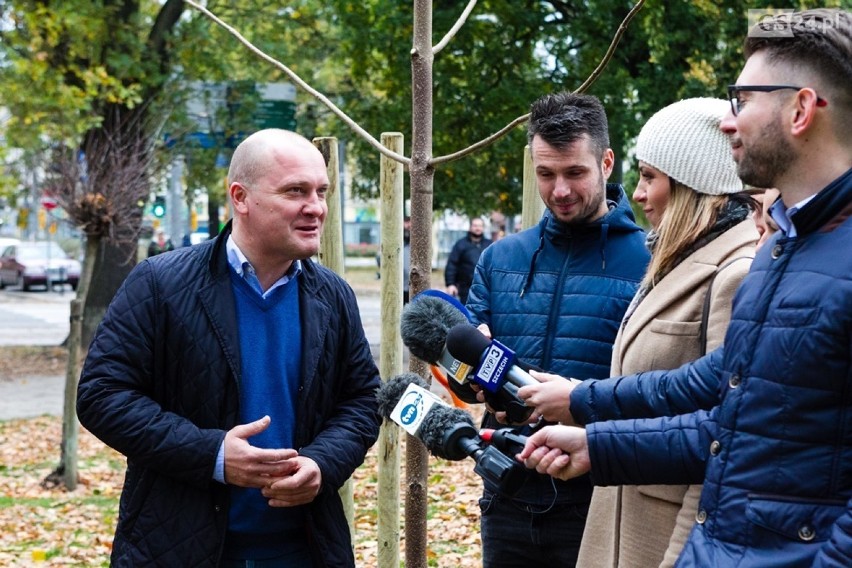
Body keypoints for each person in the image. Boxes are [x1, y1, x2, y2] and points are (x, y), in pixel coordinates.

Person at [518, 9, 852, 566]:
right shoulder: (781, 250)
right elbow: (729, 419)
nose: (727, 122)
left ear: (800, 109)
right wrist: (596, 439)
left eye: (742, 100)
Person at [77, 129, 382, 567]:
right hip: (178, 548)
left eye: (321, 191)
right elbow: (101, 395)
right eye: (295, 191)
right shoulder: (160, 283)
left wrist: (322, 463)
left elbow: (362, 399)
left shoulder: (333, 295)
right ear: (240, 197)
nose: (315, 207)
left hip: (305, 548)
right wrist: (214, 456)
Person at [449, 92, 651, 567]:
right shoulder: (500, 259)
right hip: (506, 490)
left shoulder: (651, 261)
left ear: (606, 162)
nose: (559, 190)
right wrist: (471, 381)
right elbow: (460, 365)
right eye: (546, 174)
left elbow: (662, 384)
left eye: (574, 173)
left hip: (600, 496)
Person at [571, 98, 758, 568]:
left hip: (662, 543)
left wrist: (682, 557)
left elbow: (722, 439)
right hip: (618, 524)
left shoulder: (735, 274)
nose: (636, 193)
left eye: (650, 176)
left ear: (693, 186)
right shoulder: (674, 259)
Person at [444, 217, 492, 304]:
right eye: (475, 225)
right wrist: (450, 284)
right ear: (470, 227)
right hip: (466, 289)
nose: (478, 228)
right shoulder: (461, 244)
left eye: (480, 226)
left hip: (487, 289)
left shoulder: (490, 245)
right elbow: (452, 264)